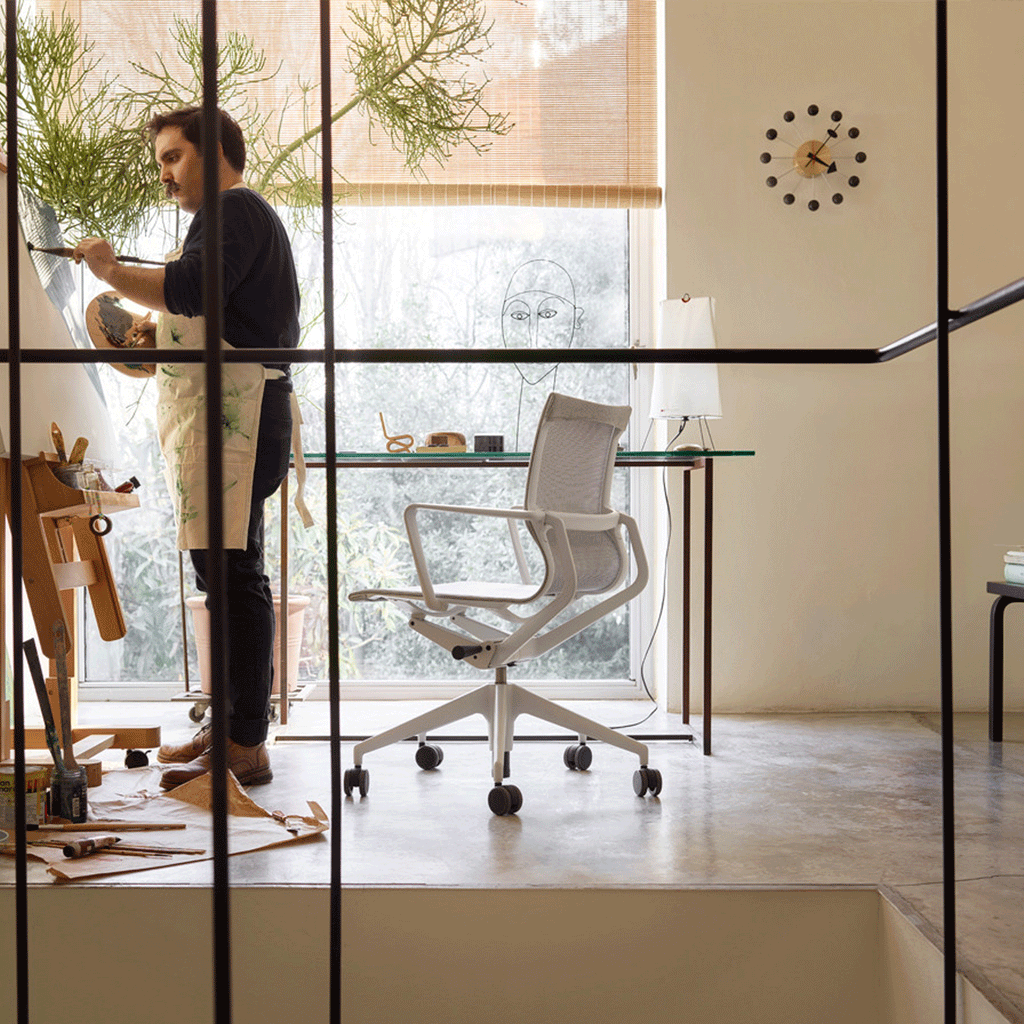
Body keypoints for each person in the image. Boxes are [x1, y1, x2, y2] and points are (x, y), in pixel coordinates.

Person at [74, 106, 309, 789]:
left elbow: (189, 289)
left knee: (232, 577)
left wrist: (109, 269)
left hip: (240, 416)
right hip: (238, 415)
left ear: (216, 152)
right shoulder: (232, 218)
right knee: (227, 574)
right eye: (161, 163)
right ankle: (232, 728)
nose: (165, 175)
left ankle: (244, 745)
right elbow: (214, 309)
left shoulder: (234, 210)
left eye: (173, 157)